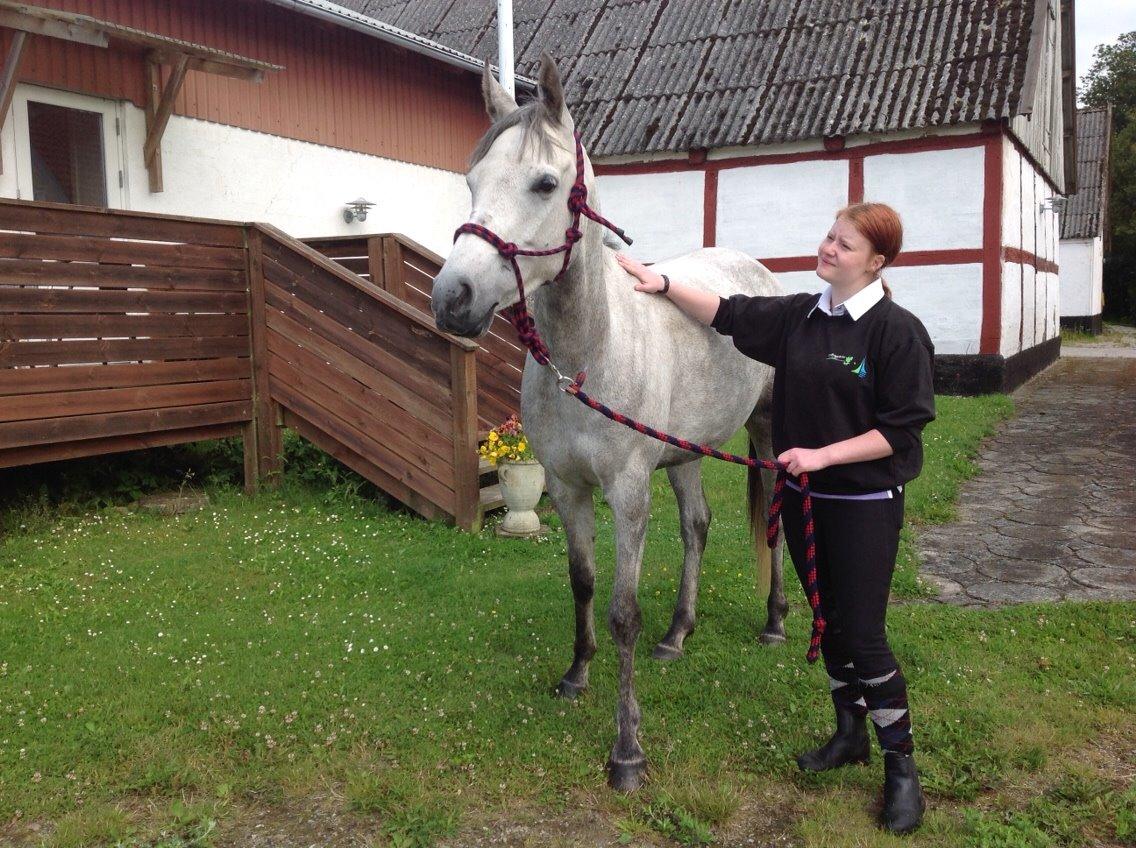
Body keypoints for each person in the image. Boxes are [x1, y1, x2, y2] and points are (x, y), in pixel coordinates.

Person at [616, 202, 935, 834]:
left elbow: (901, 430)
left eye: (843, 245)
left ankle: (902, 770)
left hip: (864, 505)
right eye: (829, 237)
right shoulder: (800, 316)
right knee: (830, 623)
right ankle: (850, 734)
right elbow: (730, 314)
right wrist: (665, 283)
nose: (828, 249)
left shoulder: (896, 333)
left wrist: (820, 455)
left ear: (875, 262)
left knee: (864, 634)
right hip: (805, 502)